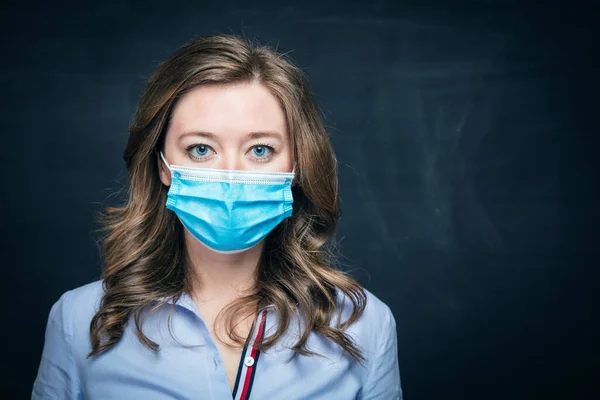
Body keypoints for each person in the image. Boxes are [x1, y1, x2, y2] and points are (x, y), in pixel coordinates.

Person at [31, 34, 402, 399]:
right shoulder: (79, 321)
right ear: (162, 165)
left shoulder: (364, 326)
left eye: (260, 149)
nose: (231, 173)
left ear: (297, 164)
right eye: (200, 149)